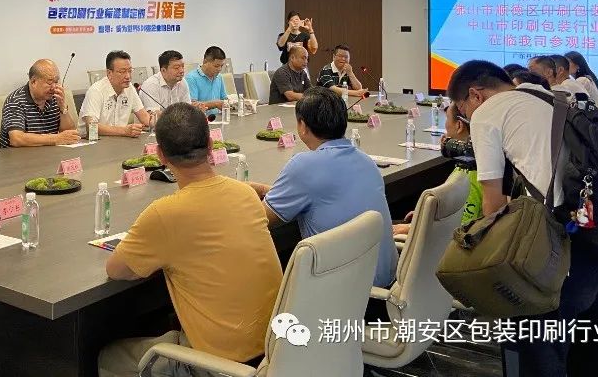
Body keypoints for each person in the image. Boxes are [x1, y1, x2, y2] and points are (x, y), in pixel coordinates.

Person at [447, 60, 598, 376]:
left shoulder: (488, 114)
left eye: (463, 111)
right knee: (592, 363)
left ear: (476, 95)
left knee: (536, 358)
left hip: (562, 256)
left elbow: (492, 207)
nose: (466, 118)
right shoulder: (553, 97)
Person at [98, 103, 282, 377]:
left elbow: (116, 270)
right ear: (210, 145)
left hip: (219, 365)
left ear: (160, 155)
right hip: (277, 350)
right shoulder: (245, 194)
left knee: (109, 356)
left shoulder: (165, 214)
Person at [247, 87, 396, 289]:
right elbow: (321, 192)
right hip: (384, 285)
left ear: (302, 126)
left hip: (342, 293)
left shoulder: (303, 165)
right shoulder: (366, 160)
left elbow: (260, 219)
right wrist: (268, 189)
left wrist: (242, 193)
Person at [393, 104, 483, 236]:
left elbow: (463, 227)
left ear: (459, 125)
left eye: (447, 119)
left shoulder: (470, 174)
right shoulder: (475, 163)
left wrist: (412, 227)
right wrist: (428, 214)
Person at [0, 59, 79, 148]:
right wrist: (56, 138)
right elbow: (17, 139)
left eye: (56, 81)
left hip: (48, 153)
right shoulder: (16, 100)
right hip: (18, 155)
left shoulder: (55, 97)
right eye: (49, 82)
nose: (54, 87)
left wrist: (63, 108)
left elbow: (70, 135)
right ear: (33, 81)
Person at [80, 50, 152, 137]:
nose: (128, 76)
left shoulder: (129, 88)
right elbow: (91, 128)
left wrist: (162, 122)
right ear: (109, 73)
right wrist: (124, 131)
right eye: (122, 72)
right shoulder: (96, 91)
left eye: (130, 71)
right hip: (91, 141)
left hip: (118, 139)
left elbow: (145, 118)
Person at [138, 50, 194, 114]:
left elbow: (187, 109)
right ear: (163, 70)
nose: (181, 71)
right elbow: (154, 116)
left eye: (182, 66)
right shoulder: (151, 85)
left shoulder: (182, 82)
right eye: (176, 68)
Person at [184, 46, 228, 117]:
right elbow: (191, 106)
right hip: (200, 120)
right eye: (216, 66)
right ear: (205, 62)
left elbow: (224, 99)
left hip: (218, 118)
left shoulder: (219, 77)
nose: (219, 69)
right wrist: (215, 104)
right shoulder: (191, 78)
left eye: (221, 66)